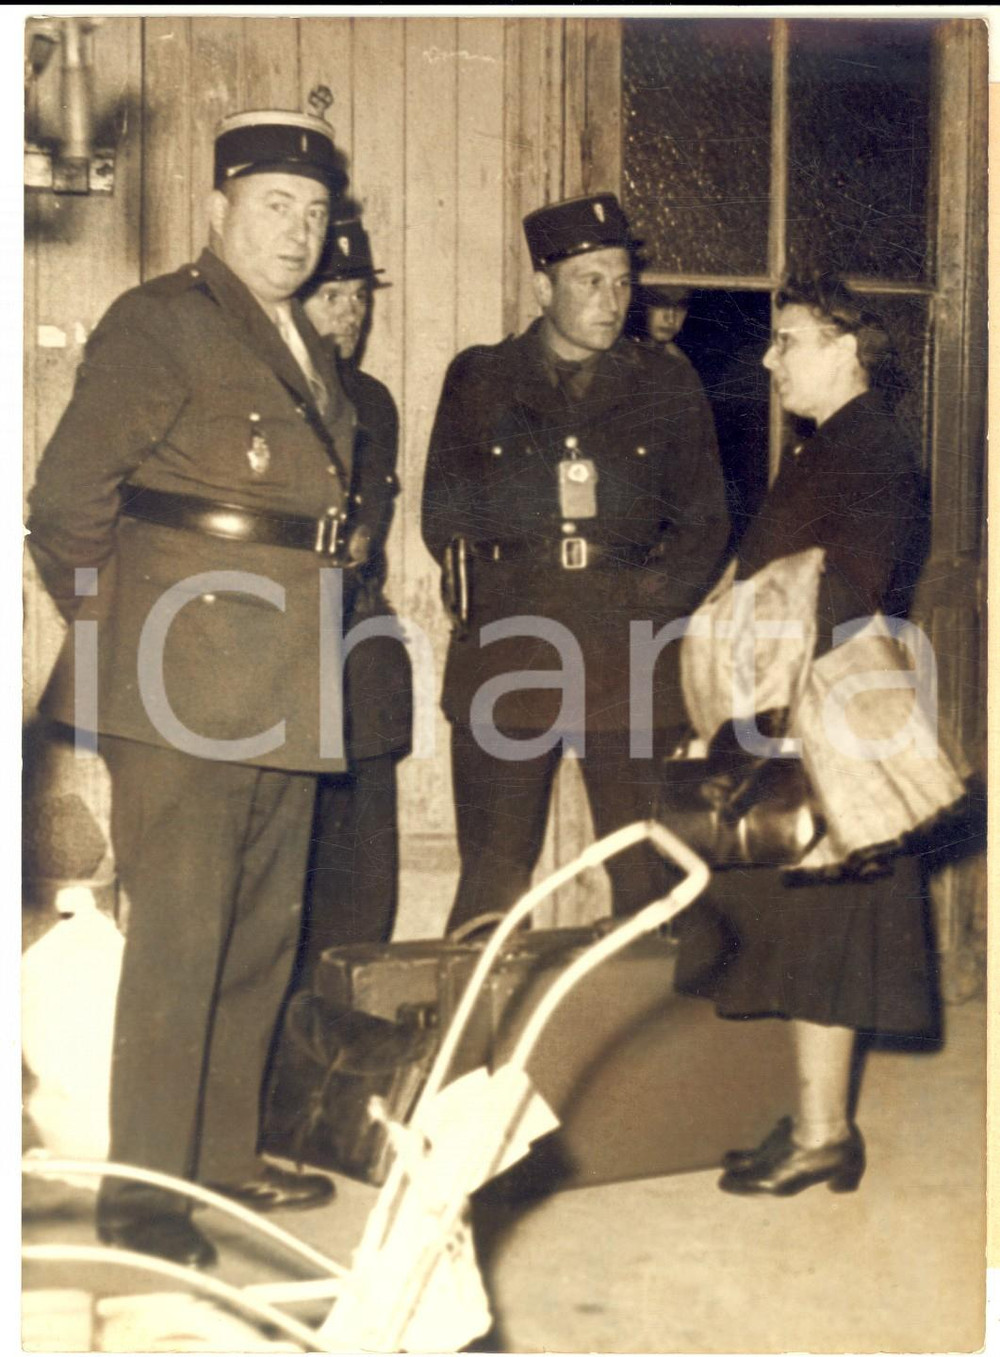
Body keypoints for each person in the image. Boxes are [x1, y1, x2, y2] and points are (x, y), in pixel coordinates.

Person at [27, 110, 360, 1269]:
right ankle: (144, 1200)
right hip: (183, 677)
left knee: (260, 935)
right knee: (178, 941)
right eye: (276, 204)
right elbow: (66, 499)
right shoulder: (162, 320)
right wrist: (121, 640)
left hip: (289, 673)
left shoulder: (302, 340)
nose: (299, 230)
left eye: (316, 213)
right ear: (219, 207)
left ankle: (222, 1155)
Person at [674, 275, 966, 1197]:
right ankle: (815, 1123)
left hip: (830, 718)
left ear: (845, 346)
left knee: (832, 927)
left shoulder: (870, 446)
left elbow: (838, 590)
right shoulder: (827, 446)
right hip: (797, 706)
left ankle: (824, 1135)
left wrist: (745, 710)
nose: (770, 358)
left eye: (788, 339)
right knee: (808, 927)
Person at [421, 193, 730, 933]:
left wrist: (651, 602)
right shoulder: (481, 378)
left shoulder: (666, 383)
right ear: (543, 286)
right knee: (492, 877)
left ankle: (650, 1042)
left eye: (622, 280)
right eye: (590, 279)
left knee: (648, 877)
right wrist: (500, 598)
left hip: (629, 651)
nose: (612, 299)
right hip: (511, 650)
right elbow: (445, 514)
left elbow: (705, 522)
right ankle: (480, 1040)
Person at [297, 218, 411, 972]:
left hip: (358, 653)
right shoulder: (264, 390)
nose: (350, 313)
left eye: (359, 296)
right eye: (331, 295)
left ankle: (349, 1031)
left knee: (367, 873)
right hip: (282, 654)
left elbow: (366, 535)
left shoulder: (374, 402)